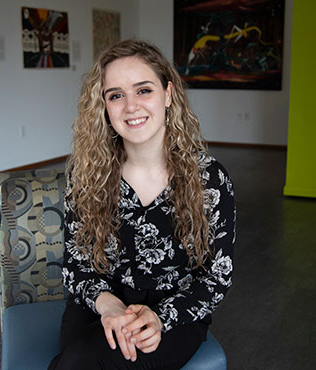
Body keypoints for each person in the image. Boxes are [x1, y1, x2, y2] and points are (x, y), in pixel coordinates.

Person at [48, 39, 236, 370]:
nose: (131, 106)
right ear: (104, 106)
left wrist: (160, 317)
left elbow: (216, 277)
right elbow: (76, 266)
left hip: (175, 312)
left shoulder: (210, 179)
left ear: (168, 94)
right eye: (116, 95)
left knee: (78, 362)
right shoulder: (87, 174)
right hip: (101, 299)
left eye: (143, 90)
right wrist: (108, 306)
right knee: (78, 359)